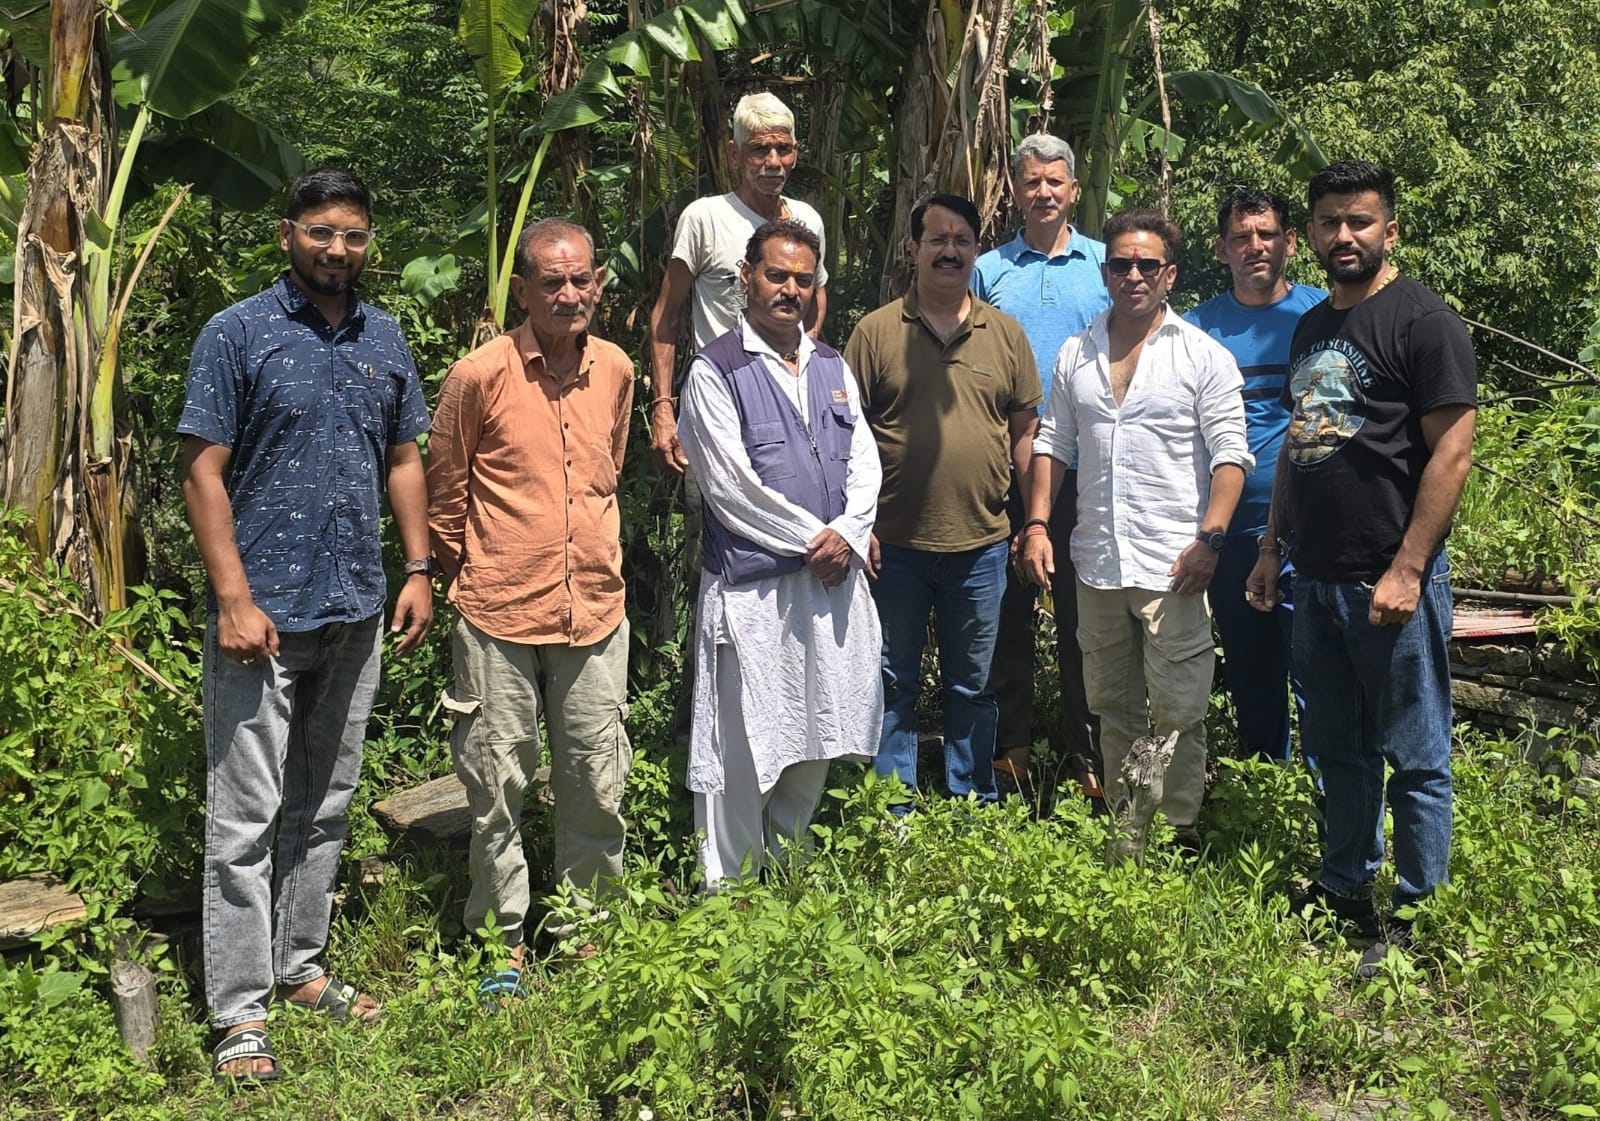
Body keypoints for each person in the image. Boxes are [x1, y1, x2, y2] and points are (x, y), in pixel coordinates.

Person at [179, 168, 433, 1083]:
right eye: (322, 231)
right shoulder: (238, 332)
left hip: (356, 604)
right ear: (288, 233)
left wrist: (417, 569)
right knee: (245, 817)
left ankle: (300, 967)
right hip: (264, 615)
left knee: (325, 802)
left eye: (354, 235)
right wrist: (232, 598)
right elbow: (202, 470)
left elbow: (403, 457)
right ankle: (240, 1011)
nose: (338, 249)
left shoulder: (384, 336)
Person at [1246, 160, 1476, 976]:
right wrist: (1272, 547)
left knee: (1415, 754)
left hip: (1391, 576)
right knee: (1337, 746)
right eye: (1330, 222)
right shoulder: (1312, 327)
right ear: (1310, 233)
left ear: (1390, 230)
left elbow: (1453, 451)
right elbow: (1301, 442)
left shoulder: (1424, 322)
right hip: (1316, 576)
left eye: (1361, 221)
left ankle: (1417, 914)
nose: (1344, 235)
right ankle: (1346, 884)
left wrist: (1409, 567)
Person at [426, 218, 635, 995]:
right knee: (495, 783)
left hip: (594, 607)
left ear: (597, 283)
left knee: (596, 776)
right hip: (498, 612)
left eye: (582, 279)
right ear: (522, 290)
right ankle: (502, 939)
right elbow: (446, 488)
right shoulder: (479, 375)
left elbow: (610, 467)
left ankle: (585, 929)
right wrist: (476, 570)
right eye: (552, 281)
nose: (569, 294)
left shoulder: (616, 369)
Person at [1020, 209, 1253, 849]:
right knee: (1111, 706)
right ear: (1106, 272)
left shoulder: (1201, 355)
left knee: (1178, 709)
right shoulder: (1077, 352)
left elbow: (1231, 455)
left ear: (1169, 274)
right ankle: (1129, 831)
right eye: (1121, 263)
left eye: (1147, 265)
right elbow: (1053, 443)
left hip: (1174, 563)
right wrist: (1037, 524)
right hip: (1097, 560)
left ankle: (1176, 832)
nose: (1134, 275)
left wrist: (1210, 539)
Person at [677, 219, 882, 886]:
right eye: (776, 275)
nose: (790, 289)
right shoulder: (715, 370)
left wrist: (850, 533)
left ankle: (789, 877)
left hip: (827, 587)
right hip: (753, 593)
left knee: (814, 730)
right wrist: (821, 541)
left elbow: (866, 464)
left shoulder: (831, 365)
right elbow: (730, 487)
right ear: (746, 279)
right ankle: (729, 892)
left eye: (803, 278)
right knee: (741, 748)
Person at [845, 193, 1041, 810]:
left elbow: (1025, 435)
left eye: (962, 240)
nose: (950, 251)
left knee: (973, 683)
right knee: (891, 678)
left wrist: (1033, 521)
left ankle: (972, 798)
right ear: (914, 249)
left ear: (977, 250)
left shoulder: (1005, 334)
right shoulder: (875, 332)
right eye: (937, 239)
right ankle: (891, 806)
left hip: (982, 544)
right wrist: (858, 524)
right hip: (893, 546)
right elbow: (846, 437)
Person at [648, 91, 830, 741]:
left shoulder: (807, 219)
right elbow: (667, 317)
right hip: (720, 419)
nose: (773, 161)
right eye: (759, 149)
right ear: (734, 154)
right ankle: (706, 720)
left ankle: (790, 712)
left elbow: (815, 310)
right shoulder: (705, 218)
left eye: (784, 148)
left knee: (793, 557)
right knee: (719, 563)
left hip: (788, 423)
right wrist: (664, 409)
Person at [971, 134, 1110, 797]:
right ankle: (1011, 751)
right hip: (1003, 468)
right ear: (1016, 190)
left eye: (1056, 181)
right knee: (1007, 614)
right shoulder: (988, 270)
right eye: (1032, 182)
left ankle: (1091, 757)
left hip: (1087, 469)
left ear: (1074, 191)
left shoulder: (1107, 264)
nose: (1044, 192)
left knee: (1088, 618)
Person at [1184, 189, 1324, 763]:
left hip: (1312, 525)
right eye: (1241, 237)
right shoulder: (1196, 329)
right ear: (1222, 249)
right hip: (1233, 526)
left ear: (1290, 242)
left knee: (1319, 667)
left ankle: (1328, 788)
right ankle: (1263, 778)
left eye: (1266, 234)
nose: (1255, 246)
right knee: (1250, 664)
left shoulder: (1323, 316)